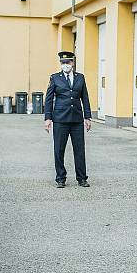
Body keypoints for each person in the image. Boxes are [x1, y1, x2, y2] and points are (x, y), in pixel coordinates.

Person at [44, 51, 92, 188]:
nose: (65, 65)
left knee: (79, 150)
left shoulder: (80, 78)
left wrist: (87, 117)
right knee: (59, 150)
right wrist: (48, 118)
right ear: (60, 63)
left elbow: (85, 98)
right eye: (63, 63)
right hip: (60, 119)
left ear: (73, 63)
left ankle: (82, 178)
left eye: (68, 62)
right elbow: (48, 99)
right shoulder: (55, 78)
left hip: (77, 119)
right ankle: (60, 178)